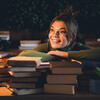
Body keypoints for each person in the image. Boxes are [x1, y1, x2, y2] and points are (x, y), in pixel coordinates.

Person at [18, 7, 91, 62]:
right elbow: (23, 55)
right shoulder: (46, 47)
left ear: (72, 37)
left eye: (62, 31)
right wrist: (60, 59)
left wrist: (66, 55)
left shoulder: (78, 48)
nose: (55, 35)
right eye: (52, 30)